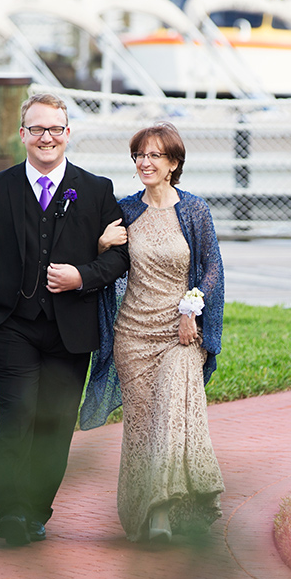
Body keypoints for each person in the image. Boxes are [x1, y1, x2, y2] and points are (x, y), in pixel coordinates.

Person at [0, 92, 130, 547]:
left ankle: (37, 510)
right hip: (11, 325)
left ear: (68, 133)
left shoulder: (96, 190)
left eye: (55, 129)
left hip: (70, 329)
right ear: (22, 135)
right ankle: (10, 513)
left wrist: (82, 276)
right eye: (36, 129)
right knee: (17, 413)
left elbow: (119, 258)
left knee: (55, 423)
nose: (46, 137)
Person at [82, 122, 225, 543]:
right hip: (132, 335)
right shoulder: (125, 210)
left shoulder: (194, 210)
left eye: (154, 156)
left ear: (173, 164)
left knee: (173, 416)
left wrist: (191, 309)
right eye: (139, 156)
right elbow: (102, 264)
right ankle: (148, 516)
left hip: (181, 334)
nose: (145, 162)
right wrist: (101, 244)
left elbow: (213, 267)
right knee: (143, 426)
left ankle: (173, 508)